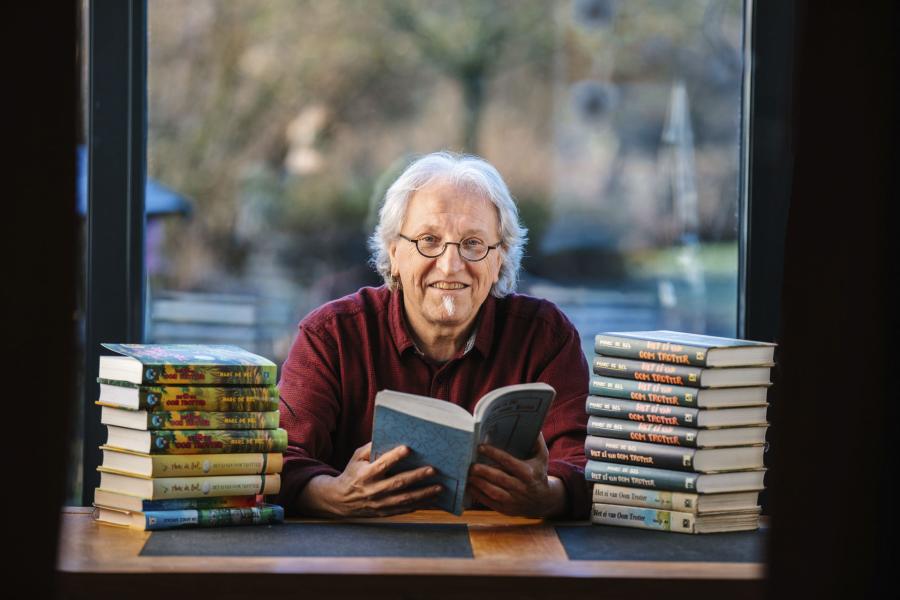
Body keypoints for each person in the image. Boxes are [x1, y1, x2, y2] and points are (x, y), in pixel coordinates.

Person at [275, 151, 590, 519]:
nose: (450, 265)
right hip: (362, 560)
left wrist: (550, 495)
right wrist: (332, 494)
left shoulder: (546, 337)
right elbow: (279, 457)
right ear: (394, 251)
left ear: (500, 257)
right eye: (428, 240)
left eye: (473, 243)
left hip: (502, 558)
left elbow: (588, 464)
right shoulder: (331, 336)